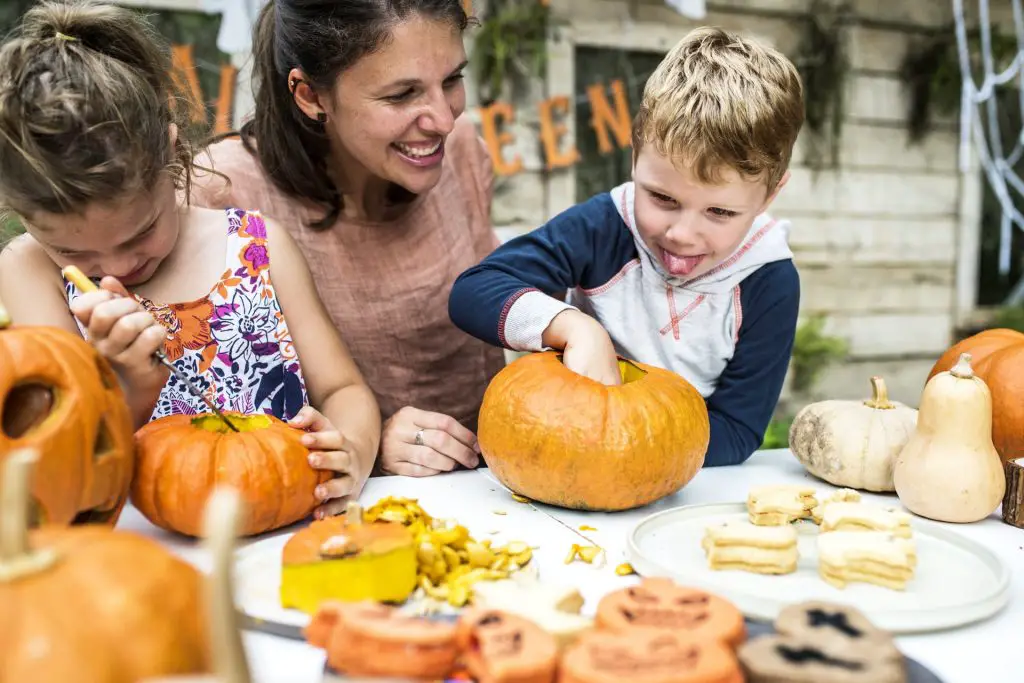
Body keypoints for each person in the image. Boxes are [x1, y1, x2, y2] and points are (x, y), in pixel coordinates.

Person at [0, 0, 380, 518]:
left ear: (173, 157)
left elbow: (343, 389)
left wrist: (352, 451)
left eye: (142, 231)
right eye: (73, 252)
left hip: (286, 529)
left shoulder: (254, 247)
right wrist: (127, 383)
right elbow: (65, 466)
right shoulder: (28, 274)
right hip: (136, 558)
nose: (114, 268)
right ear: (22, 216)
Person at [448, 27, 805, 467]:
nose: (682, 234)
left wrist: (623, 445)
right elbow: (474, 290)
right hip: (564, 451)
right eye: (663, 198)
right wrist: (576, 327)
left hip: (673, 482)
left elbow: (737, 429)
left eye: (720, 213)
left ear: (769, 196)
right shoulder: (604, 227)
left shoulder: (769, 280)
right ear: (635, 157)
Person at [191, 0, 506, 479]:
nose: (443, 120)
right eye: (402, 94)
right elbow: (198, 427)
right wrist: (365, 448)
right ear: (311, 95)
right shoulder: (222, 195)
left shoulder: (461, 149)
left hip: (498, 493)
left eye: (452, 80)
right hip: (329, 514)